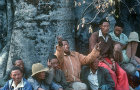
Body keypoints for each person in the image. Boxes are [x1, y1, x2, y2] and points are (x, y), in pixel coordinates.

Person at [89, 19, 129, 90]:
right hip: (98, 60)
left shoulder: (109, 37)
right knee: (112, 74)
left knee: (123, 73)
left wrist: (113, 62)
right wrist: (108, 64)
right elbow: (94, 52)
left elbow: (110, 52)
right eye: (104, 26)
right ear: (100, 26)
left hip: (108, 60)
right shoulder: (94, 35)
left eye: (108, 26)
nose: (107, 28)